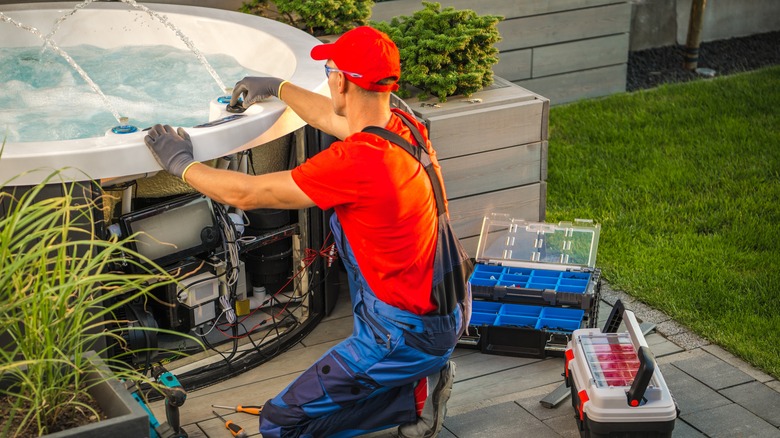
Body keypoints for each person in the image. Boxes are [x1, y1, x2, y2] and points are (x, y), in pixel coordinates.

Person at [144, 26, 465, 438]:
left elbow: (247, 192)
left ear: (341, 81)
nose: (329, 76)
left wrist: (181, 164)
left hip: (405, 332)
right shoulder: (402, 125)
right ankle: (410, 382)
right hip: (439, 303)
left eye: (330, 69)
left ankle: (412, 399)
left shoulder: (358, 163)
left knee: (280, 424)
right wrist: (275, 87)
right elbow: (329, 115)